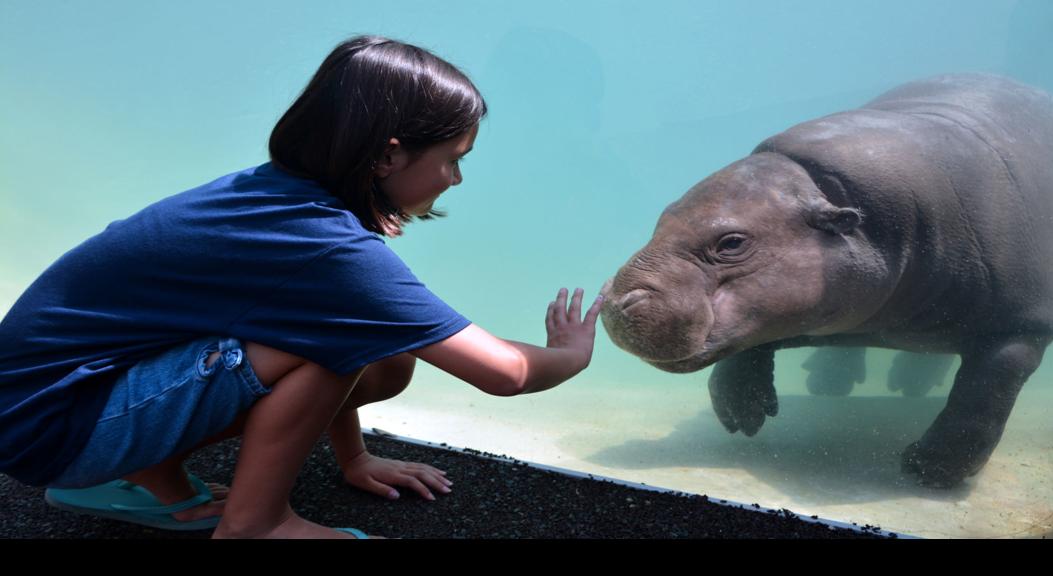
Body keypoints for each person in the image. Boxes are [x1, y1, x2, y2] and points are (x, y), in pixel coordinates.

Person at [0, 35, 606, 538]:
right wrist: (571, 355)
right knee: (331, 342)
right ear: (388, 157)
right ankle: (256, 525)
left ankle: (153, 473)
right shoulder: (326, 248)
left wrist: (355, 456)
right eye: (454, 158)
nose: (455, 178)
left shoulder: (273, 198)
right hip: (53, 430)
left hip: (48, 409)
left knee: (382, 354)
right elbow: (504, 374)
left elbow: (336, 323)